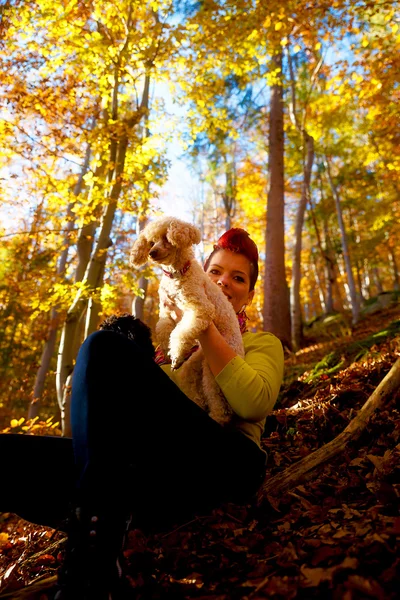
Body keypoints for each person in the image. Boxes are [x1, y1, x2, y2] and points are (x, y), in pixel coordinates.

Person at [0, 228, 284, 600]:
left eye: (237, 277)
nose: (223, 283)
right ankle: (100, 537)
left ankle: (92, 564)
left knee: (104, 347)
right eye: (214, 272)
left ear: (250, 292)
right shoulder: (168, 350)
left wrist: (203, 326)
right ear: (199, 272)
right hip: (152, 476)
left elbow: (253, 402)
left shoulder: (261, 343)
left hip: (226, 462)